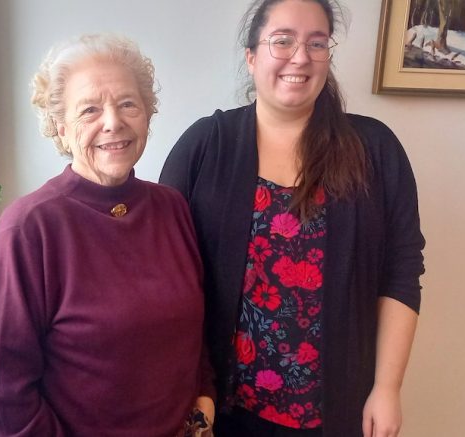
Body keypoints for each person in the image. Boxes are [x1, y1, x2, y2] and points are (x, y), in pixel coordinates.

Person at [159, 1, 425, 436]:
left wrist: (387, 387)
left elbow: (401, 272)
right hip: (218, 409)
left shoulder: (374, 150)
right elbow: (164, 273)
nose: (300, 57)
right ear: (251, 55)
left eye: (316, 43)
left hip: (336, 411)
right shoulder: (207, 145)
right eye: (282, 40)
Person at [0, 34, 214, 437]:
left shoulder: (172, 208)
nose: (113, 122)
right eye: (89, 110)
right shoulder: (30, 229)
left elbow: (194, 327)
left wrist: (204, 395)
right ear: (61, 129)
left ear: (148, 115)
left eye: (127, 104)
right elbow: (0, 391)